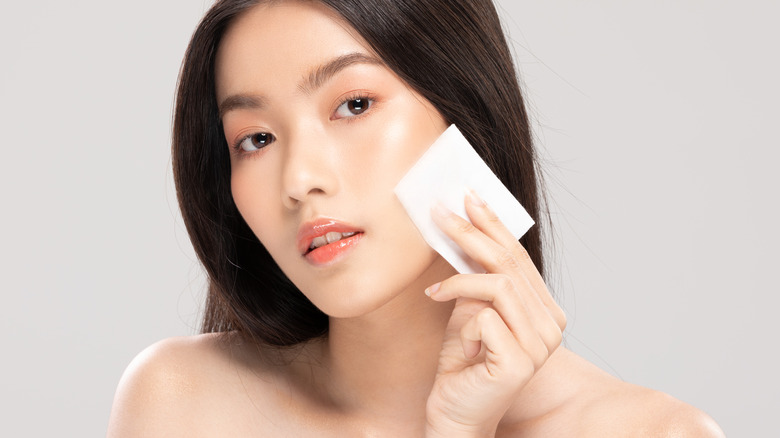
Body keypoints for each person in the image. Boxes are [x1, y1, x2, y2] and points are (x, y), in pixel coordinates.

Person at [107, 0, 725, 436]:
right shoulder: (181, 406)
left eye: (354, 104)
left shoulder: (654, 434)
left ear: (465, 110)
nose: (299, 180)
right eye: (257, 139)